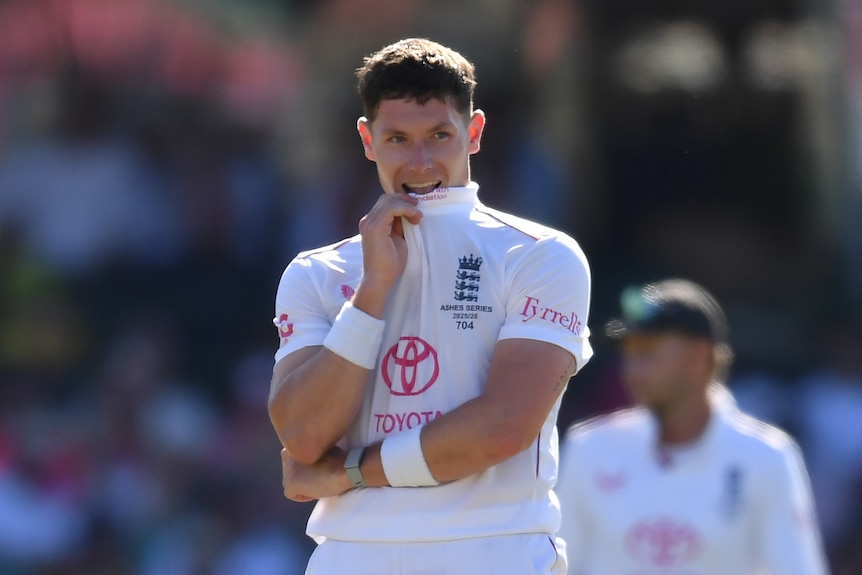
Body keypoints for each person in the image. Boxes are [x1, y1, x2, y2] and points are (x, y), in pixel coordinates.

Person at [267, 38, 592, 574]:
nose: (419, 162)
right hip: (353, 556)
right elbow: (303, 436)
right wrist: (372, 292)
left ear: (475, 132)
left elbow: (503, 427)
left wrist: (350, 472)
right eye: (397, 139)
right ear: (368, 140)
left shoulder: (540, 254)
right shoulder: (316, 271)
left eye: (439, 135)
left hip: (494, 548)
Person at [556, 279, 828, 575]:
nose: (631, 369)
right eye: (629, 353)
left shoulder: (768, 457)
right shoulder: (589, 447)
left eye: (647, 351)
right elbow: (557, 565)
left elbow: (797, 569)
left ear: (700, 356)